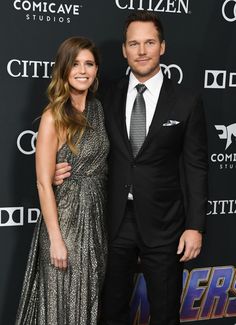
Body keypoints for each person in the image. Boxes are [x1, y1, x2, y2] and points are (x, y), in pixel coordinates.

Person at [54, 11, 208, 325]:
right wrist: (59, 170)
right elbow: (84, 146)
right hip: (112, 222)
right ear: (124, 50)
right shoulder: (104, 98)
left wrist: (195, 226)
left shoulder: (186, 102)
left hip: (166, 225)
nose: (141, 51)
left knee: (165, 313)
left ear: (162, 46)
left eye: (149, 42)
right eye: (133, 43)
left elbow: (196, 167)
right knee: (111, 312)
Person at [15, 36, 109, 325]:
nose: (83, 70)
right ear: (64, 70)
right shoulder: (53, 115)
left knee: (89, 303)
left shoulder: (99, 110)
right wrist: (55, 239)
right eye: (75, 64)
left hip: (96, 222)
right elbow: (44, 183)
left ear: (95, 70)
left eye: (89, 64)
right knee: (59, 305)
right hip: (64, 223)